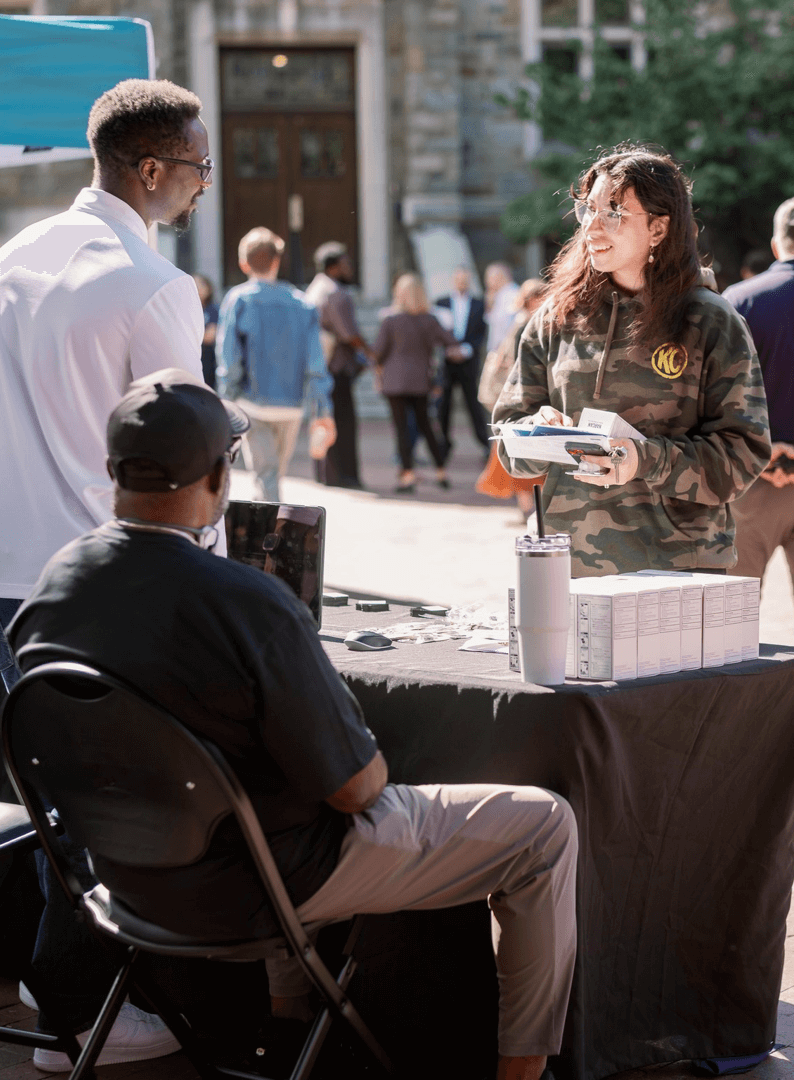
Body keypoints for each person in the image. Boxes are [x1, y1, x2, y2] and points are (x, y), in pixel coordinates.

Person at [9, 369, 578, 1080]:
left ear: (110, 471)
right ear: (219, 478)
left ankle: (290, 1025)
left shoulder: (51, 590)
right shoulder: (249, 603)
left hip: (119, 882)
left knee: (265, 794)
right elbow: (357, 791)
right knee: (545, 827)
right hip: (261, 887)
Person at [493, 144, 771, 577]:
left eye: (615, 213)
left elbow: (742, 457)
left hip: (679, 572)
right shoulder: (556, 317)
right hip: (571, 570)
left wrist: (643, 459)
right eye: (588, 210)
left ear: (658, 229)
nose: (593, 227)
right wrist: (537, 431)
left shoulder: (710, 320)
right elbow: (509, 444)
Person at [0, 78, 213, 620]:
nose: (206, 184)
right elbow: (186, 452)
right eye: (201, 167)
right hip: (100, 584)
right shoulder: (157, 284)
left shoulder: (12, 257)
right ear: (151, 170)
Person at [217, 227, 335, 502]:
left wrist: (226, 401)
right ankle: (272, 533)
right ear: (276, 261)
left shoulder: (239, 300)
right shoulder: (301, 303)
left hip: (252, 403)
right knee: (273, 475)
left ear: (243, 263)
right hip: (291, 406)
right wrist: (322, 409)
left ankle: (268, 538)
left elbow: (229, 359)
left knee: (266, 476)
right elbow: (316, 363)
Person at [722, 198, 794, 590]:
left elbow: (715, 394)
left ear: (775, 244)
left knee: (736, 621)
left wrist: (761, 454)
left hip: (752, 480)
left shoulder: (739, 300)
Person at [373, 273, 463, 493]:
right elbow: (451, 342)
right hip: (421, 381)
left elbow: (377, 353)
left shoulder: (390, 320)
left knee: (402, 430)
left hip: (394, 382)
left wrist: (378, 374)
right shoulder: (430, 319)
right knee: (427, 426)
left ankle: (407, 476)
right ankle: (441, 471)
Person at [476, 279, 547, 519]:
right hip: (524, 400)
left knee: (528, 453)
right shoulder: (525, 325)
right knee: (519, 452)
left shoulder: (530, 323)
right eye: (539, 297)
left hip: (530, 399)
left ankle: (529, 507)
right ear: (529, 300)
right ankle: (527, 507)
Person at [305, 242, 370, 490]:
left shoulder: (315, 289)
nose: (350, 268)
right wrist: (368, 352)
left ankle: (325, 474)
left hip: (318, 367)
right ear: (333, 267)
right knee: (342, 422)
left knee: (322, 419)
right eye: (345, 264)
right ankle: (345, 477)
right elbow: (348, 333)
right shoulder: (335, 293)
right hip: (336, 368)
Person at [434, 266, 491, 463]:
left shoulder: (478, 304)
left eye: (465, 279)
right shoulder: (441, 302)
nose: (461, 283)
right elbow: (437, 330)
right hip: (447, 362)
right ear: (453, 281)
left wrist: (465, 350)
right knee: (443, 406)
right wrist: (448, 349)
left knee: (473, 404)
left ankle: (484, 443)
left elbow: (481, 333)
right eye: (458, 279)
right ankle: (443, 445)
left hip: (468, 362)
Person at [484, 262, 520, 354]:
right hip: (499, 351)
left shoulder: (512, 293)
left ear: (498, 277)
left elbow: (507, 324)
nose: (487, 282)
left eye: (488, 278)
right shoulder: (499, 295)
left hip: (506, 351)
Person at [193, 273, 220, 389]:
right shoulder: (187, 309)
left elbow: (210, 337)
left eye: (200, 285)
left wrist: (191, 336)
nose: (197, 288)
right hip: (191, 360)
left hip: (208, 360)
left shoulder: (213, 310)